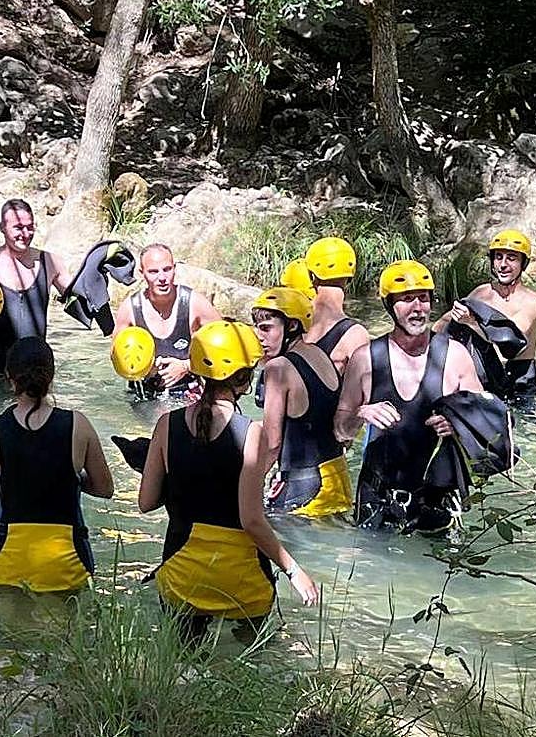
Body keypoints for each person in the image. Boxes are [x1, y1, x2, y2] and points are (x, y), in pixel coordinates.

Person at [138, 320, 318, 635]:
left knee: (184, 666)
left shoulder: (166, 425)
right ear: (244, 379)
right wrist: (293, 570)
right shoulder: (252, 433)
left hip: (180, 579)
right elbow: (251, 520)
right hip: (242, 585)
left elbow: (146, 502)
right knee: (248, 665)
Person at [337, 260, 483, 533]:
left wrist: (458, 426)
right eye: (406, 300)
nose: (417, 308)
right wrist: (362, 413)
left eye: (423, 299)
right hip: (377, 496)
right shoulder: (365, 358)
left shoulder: (455, 356)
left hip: (437, 499)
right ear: (389, 305)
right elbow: (340, 429)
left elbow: (486, 428)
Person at [0, 337, 113, 592]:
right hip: (67, 562)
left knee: (10, 631)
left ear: (9, 377)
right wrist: (71, 479)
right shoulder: (78, 424)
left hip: (9, 561)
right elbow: (104, 489)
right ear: (52, 375)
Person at [251, 287, 351, 517]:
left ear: (292, 326)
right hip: (337, 481)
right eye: (256, 328)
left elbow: (273, 444)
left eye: (267, 328)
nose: (259, 336)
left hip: (303, 489)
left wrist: (246, 486)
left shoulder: (278, 369)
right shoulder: (319, 353)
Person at [0, 200, 71, 374]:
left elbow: (77, 299)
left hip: (34, 372)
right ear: (2, 227)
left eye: (30, 227)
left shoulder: (51, 262)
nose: (25, 234)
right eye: (18, 227)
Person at [433, 229, 536, 398]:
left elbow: (511, 343)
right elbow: (443, 322)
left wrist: (472, 322)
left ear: (523, 264)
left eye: (511, 258)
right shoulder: (481, 293)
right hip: (486, 379)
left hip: (519, 381)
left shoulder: (533, 302)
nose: (503, 264)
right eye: (498, 257)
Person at [111, 243, 220, 395]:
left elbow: (225, 352)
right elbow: (116, 357)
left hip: (186, 395)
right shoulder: (130, 309)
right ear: (142, 273)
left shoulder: (194, 303)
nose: (162, 277)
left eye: (167, 269)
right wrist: (144, 367)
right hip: (143, 396)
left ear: (174, 268)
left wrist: (186, 366)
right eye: (153, 272)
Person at [300, 237, 370, 376]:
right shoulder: (355, 335)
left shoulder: (293, 320)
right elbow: (364, 391)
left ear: (311, 275)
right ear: (351, 275)